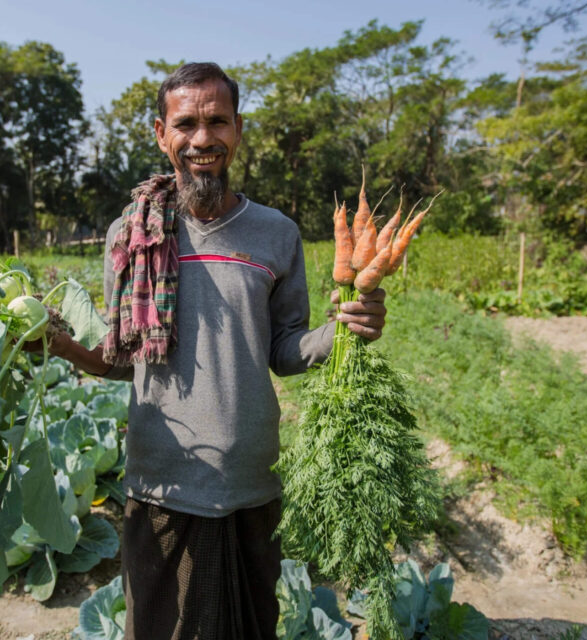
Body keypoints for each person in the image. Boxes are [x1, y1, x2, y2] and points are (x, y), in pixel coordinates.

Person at [47, 62, 387, 640]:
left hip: (252, 478)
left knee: (252, 626)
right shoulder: (131, 234)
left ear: (237, 129)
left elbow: (284, 348)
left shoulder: (275, 234)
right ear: (162, 133)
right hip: (163, 482)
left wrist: (346, 331)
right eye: (186, 124)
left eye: (216, 122)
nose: (202, 139)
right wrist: (57, 345)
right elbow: (120, 358)